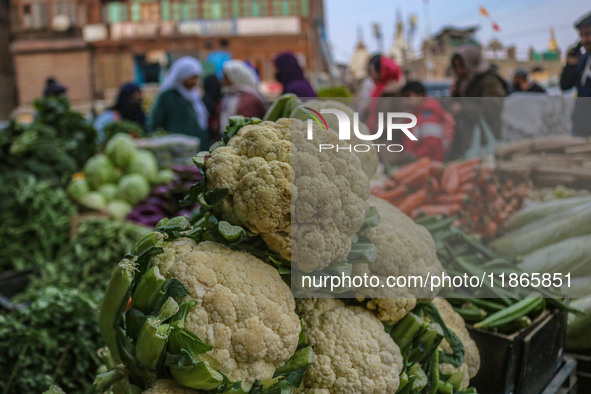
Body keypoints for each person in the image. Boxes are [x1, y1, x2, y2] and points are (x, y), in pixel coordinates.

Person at [449, 46, 508, 158]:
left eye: (462, 66)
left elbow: (492, 110)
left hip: (484, 139)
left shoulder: (489, 81)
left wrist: (462, 109)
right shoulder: (464, 82)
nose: (460, 71)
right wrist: (455, 93)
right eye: (456, 67)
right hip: (467, 140)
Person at [148, 56, 210, 149]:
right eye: (191, 78)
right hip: (176, 150)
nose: (194, 82)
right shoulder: (167, 97)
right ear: (182, 76)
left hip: (198, 148)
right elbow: (154, 123)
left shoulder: (195, 96)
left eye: (196, 78)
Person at [560, 12, 591, 136]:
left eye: (587, 35)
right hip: (581, 128)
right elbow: (565, 86)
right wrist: (570, 65)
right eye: (581, 36)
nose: (583, 40)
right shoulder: (583, 60)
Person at [399, 81, 447, 162]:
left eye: (408, 97)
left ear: (420, 95)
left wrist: (415, 156)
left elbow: (432, 142)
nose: (405, 102)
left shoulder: (428, 113)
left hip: (428, 165)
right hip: (420, 164)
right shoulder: (417, 113)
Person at [217, 59, 267, 135]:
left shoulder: (250, 99)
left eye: (226, 78)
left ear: (235, 78)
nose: (223, 81)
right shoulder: (228, 96)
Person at [366, 54, 405, 133]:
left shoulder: (396, 92)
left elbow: (407, 118)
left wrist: (385, 126)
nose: (372, 76)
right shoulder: (379, 90)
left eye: (373, 72)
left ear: (382, 71)